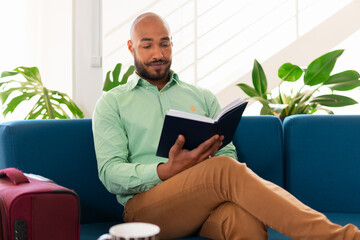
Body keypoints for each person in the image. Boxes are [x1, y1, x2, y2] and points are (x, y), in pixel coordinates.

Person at [92, 12, 360, 240]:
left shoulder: (201, 96)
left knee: (244, 220)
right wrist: (165, 170)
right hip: (145, 210)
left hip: (204, 202)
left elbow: (226, 153)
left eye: (164, 44)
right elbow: (111, 173)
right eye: (147, 45)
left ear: (172, 44)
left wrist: (199, 165)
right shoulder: (112, 102)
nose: (158, 54)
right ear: (131, 48)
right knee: (222, 170)